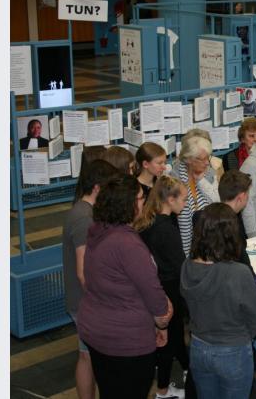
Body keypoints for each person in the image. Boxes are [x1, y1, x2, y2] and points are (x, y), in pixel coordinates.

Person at [77, 175, 173, 399]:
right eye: (140, 198)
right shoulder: (128, 245)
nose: (144, 201)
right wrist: (164, 318)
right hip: (126, 342)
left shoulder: (98, 230)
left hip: (97, 332)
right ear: (128, 205)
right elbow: (153, 294)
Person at [180, 203, 256, 399]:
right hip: (233, 351)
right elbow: (255, 318)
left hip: (198, 348)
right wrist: (242, 338)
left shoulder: (186, 266)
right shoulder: (238, 272)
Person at [62, 160, 118, 399]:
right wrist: (101, 304)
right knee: (87, 356)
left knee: (87, 355)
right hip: (87, 302)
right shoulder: (83, 218)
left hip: (86, 302)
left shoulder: (86, 212)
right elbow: (83, 272)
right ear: (97, 187)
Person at [134, 176, 190, 399]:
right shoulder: (166, 230)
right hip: (170, 290)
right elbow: (180, 265)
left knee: (174, 336)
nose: (185, 205)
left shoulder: (148, 222)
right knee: (167, 340)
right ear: (170, 199)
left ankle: (186, 369)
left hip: (157, 286)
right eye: (183, 200)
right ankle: (163, 390)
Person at [171, 133, 220, 256]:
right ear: (188, 159)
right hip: (186, 246)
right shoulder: (174, 179)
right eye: (202, 159)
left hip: (210, 239)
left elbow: (218, 203)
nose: (207, 163)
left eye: (207, 158)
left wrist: (201, 181)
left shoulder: (208, 172)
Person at [217, 170, 255, 273]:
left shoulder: (213, 218)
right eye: (247, 195)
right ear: (241, 197)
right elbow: (243, 262)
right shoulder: (233, 225)